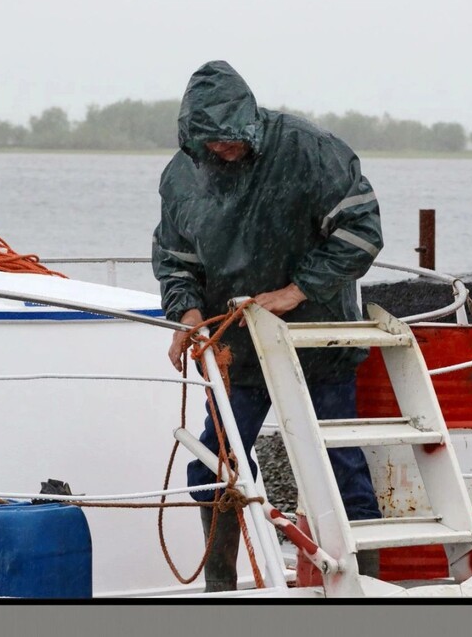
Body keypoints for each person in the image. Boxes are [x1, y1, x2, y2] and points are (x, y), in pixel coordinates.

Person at [151, 60, 385, 591]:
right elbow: (173, 257)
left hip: (319, 342)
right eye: (214, 143)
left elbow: (363, 230)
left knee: (340, 468)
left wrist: (296, 290)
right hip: (236, 350)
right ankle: (221, 589)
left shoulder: (310, 149)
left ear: (252, 122)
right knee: (213, 465)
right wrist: (185, 312)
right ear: (193, 139)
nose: (226, 149)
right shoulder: (180, 176)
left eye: (235, 139)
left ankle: (366, 593)